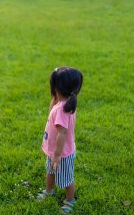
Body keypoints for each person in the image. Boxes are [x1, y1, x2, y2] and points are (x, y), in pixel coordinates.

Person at [36, 67, 83, 214]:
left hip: (61, 154)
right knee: (50, 171)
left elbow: (62, 133)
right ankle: (49, 191)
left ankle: (70, 200)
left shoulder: (62, 110)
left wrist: (56, 155)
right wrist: (55, 94)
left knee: (66, 178)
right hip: (54, 152)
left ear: (56, 87)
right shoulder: (66, 102)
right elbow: (52, 108)